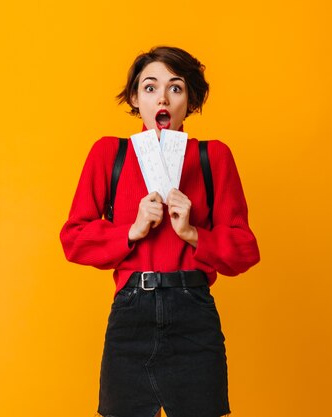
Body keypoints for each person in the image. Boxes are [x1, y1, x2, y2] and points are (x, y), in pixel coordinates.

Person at [60, 46, 260, 417]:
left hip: (194, 314)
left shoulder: (213, 157)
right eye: (150, 88)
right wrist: (131, 231)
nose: (163, 97)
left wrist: (194, 234)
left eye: (176, 88)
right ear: (136, 98)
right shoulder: (109, 154)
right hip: (131, 311)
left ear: (191, 101)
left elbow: (245, 249)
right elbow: (73, 238)